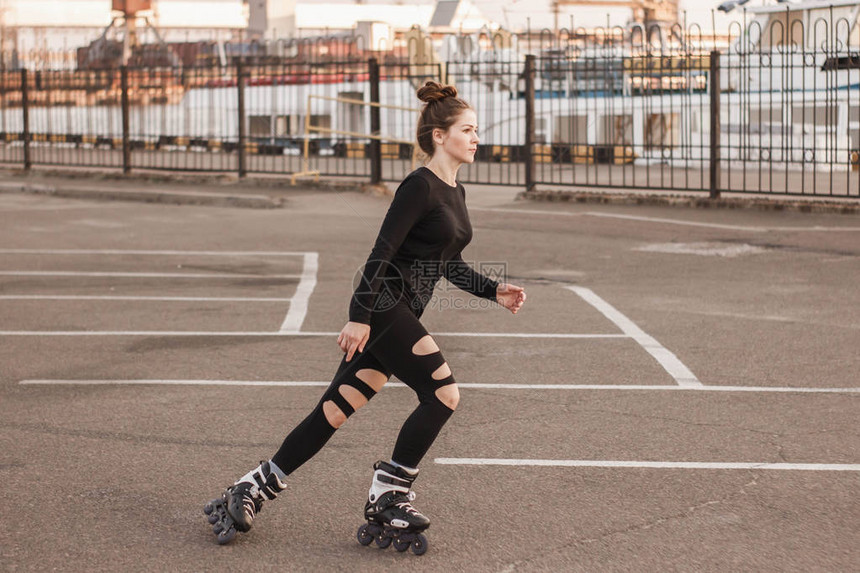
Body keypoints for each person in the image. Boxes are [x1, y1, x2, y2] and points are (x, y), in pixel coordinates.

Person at [204, 80, 527, 552]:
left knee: (334, 410)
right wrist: (359, 315)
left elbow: (447, 264)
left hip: (398, 312)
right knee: (443, 393)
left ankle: (251, 487)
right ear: (440, 135)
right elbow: (382, 252)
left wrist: (492, 290)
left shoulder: (456, 192)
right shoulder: (418, 185)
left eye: (477, 130)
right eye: (469, 129)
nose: (477, 138)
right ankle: (390, 492)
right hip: (383, 307)